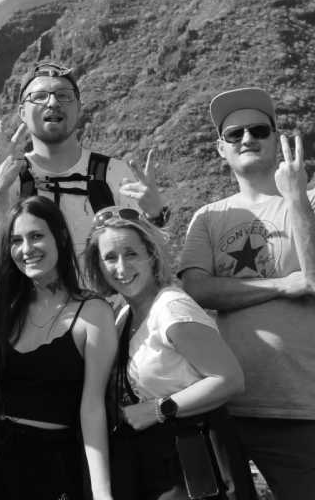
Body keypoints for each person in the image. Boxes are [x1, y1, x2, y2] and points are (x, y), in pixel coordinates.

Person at [177, 88, 315, 500]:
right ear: (221, 148)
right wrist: (283, 284)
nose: (246, 139)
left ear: (276, 139)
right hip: (223, 405)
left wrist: (295, 196)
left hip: (302, 407)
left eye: (258, 130)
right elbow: (196, 290)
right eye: (234, 134)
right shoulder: (208, 217)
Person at [0, 195, 116, 500]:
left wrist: (102, 492)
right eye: (16, 240)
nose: (26, 249)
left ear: (61, 237)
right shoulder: (5, 307)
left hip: (53, 473)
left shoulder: (93, 313)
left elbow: (93, 409)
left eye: (36, 236)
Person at [85, 207, 255, 500]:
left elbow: (229, 379)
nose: (121, 267)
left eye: (131, 254)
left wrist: (157, 409)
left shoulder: (172, 309)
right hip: (160, 465)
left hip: (197, 466)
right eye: (110, 257)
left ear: (151, 255)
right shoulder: (124, 315)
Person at [0, 61, 169, 277]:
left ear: (79, 107)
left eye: (63, 95)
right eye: (39, 96)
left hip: (104, 299)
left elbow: (152, 268)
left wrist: (155, 216)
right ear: (22, 112)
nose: (53, 102)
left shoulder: (116, 174)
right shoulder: (4, 179)